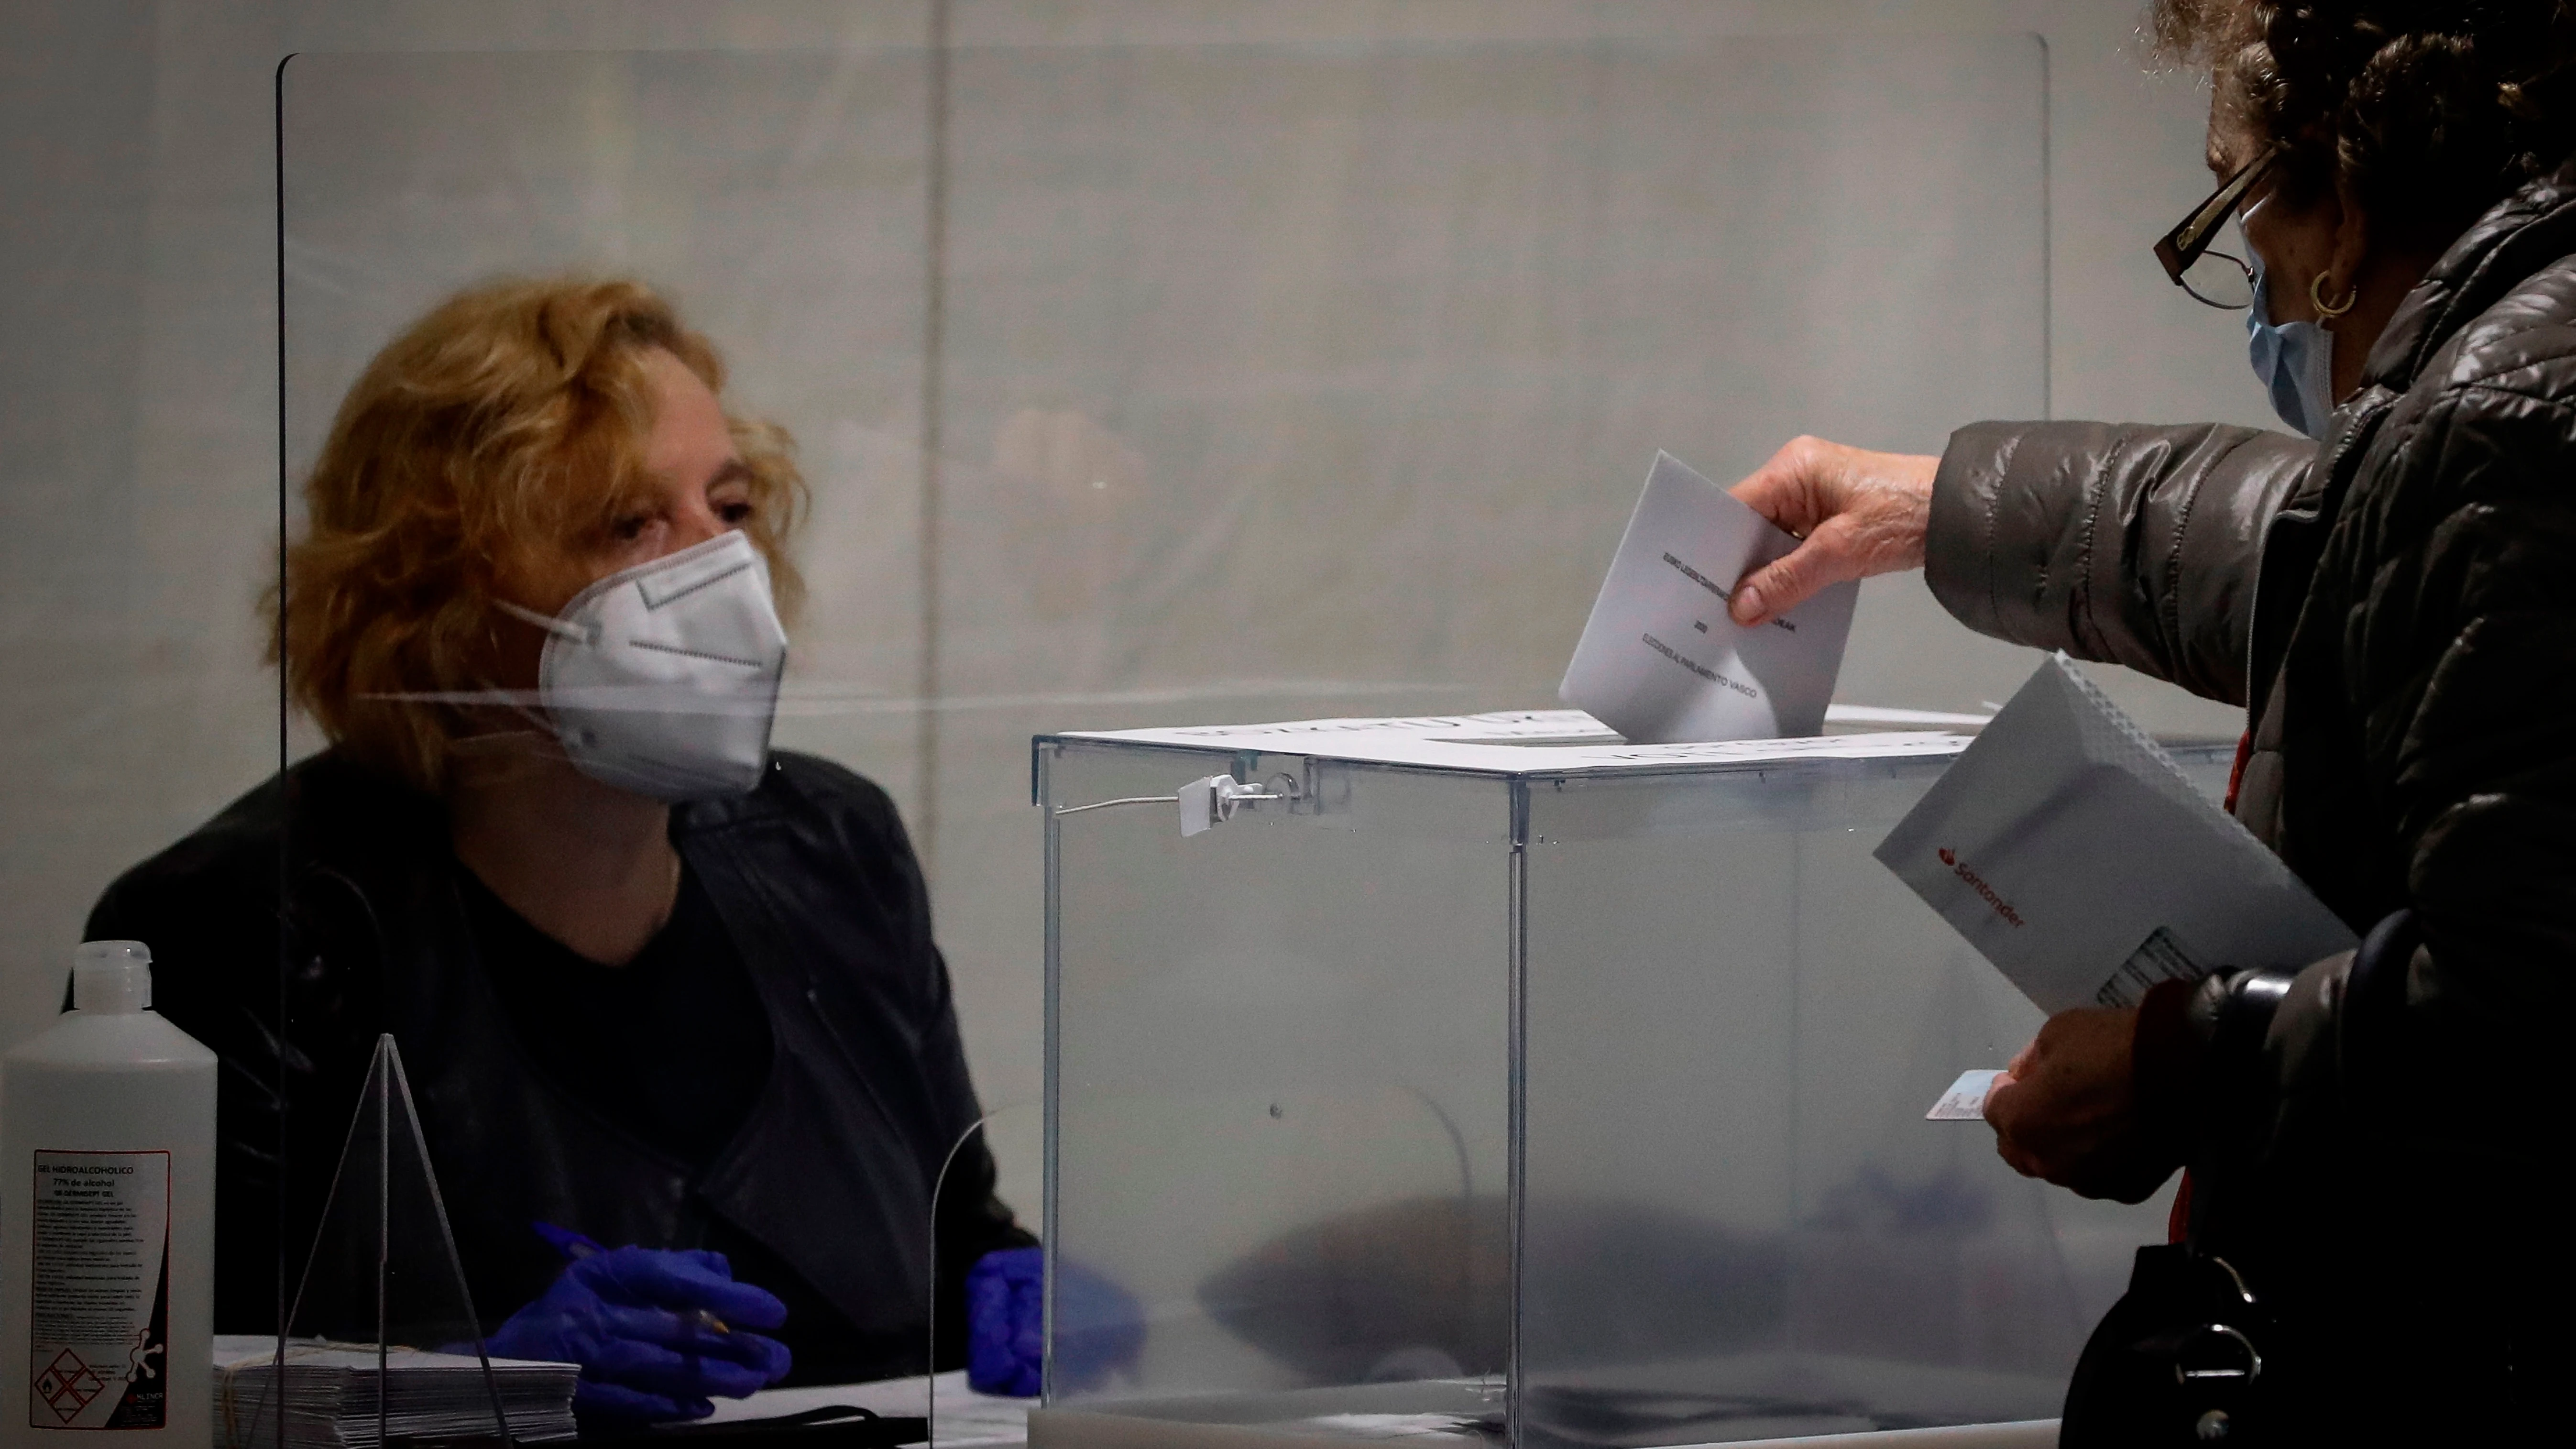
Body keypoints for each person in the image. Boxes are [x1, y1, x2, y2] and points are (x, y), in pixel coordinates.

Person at [1720, 1, 2571, 1437]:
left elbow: (2524, 1006)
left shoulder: (2502, 424)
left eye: (2242, 211)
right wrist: (1939, 506)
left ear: (2343, 203)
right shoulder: (2514, 380)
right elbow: (2307, 550)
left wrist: (2182, 1057)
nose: (2263, 281)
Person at [85, 277, 1044, 1422]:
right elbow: (134, 1397)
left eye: (727, 511)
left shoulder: (832, 849)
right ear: (436, 591)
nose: (716, 575)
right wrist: (471, 1392)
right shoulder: (253, 928)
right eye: (628, 524)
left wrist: (1037, 1289)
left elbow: (961, 1240)